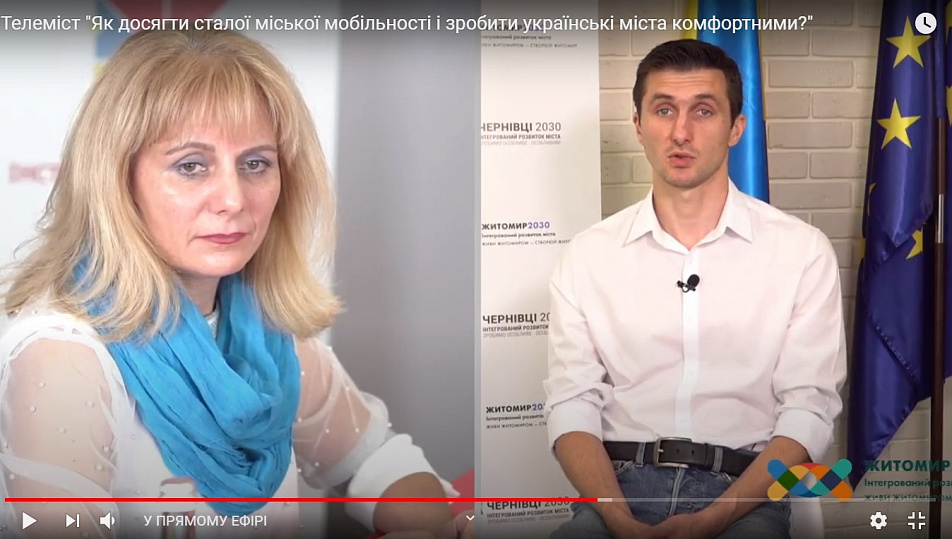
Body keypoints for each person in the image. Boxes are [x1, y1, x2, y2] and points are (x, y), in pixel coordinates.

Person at [0, 29, 472, 539]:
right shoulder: (61, 355)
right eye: (190, 166)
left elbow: (375, 460)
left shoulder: (264, 331)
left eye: (255, 164)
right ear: (117, 181)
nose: (233, 198)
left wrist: (444, 527)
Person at [544, 39, 847, 539]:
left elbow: (808, 412)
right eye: (664, 110)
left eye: (703, 111)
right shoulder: (587, 255)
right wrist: (619, 521)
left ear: (736, 128)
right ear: (638, 124)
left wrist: (714, 518)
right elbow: (571, 404)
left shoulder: (801, 252)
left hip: (745, 495)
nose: (680, 132)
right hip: (618, 490)